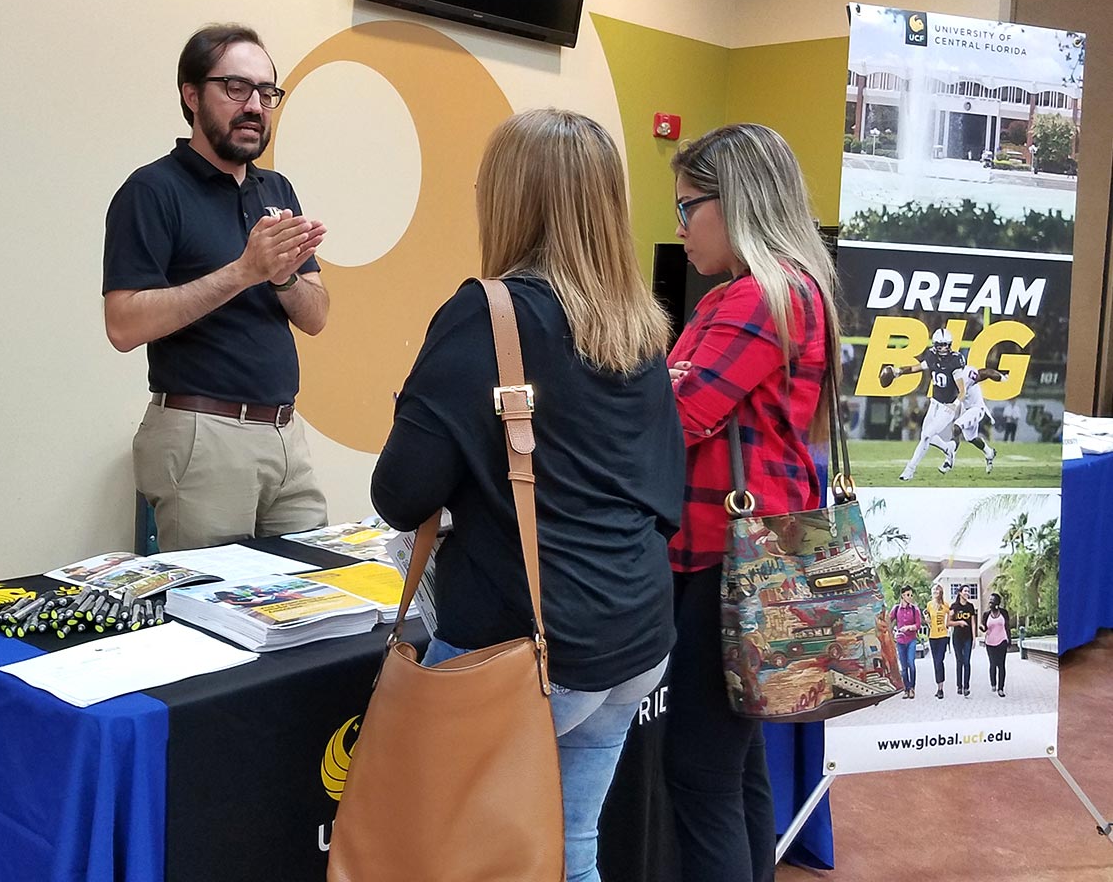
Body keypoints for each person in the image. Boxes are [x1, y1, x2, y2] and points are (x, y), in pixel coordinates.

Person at [370, 108, 684, 882]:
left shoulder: (485, 314)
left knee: (456, 859)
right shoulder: (639, 325)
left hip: (525, 647)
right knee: (570, 849)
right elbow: (660, 485)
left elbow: (400, 493)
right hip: (635, 636)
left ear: (510, 198)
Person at [664, 123, 840, 882]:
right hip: (766, 553)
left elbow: (674, 416)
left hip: (725, 562)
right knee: (737, 771)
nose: (678, 228)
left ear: (733, 202)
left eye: (687, 207)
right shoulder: (800, 288)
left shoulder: (755, 297)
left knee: (700, 774)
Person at [102, 24, 330, 551]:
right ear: (191, 94)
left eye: (267, 92)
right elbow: (123, 324)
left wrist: (283, 276)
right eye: (236, 88)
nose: (255, 105)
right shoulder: (152, 191)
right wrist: (243, 272)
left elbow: (316, 315)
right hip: (201, 433)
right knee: (212, 618)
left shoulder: (276, 189)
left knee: (314, 604)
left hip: (285, 433)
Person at [882, 328, 966, 481]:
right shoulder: (932, 356)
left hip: (949, 406)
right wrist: (899, 372)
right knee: (925, 436)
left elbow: (962, 391)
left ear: (950, 345)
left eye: (946, 345)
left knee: (927, 435)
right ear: (935, 345)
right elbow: (917, 368)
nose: (943, 349)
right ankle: (948, 449)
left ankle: (910, 469)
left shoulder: (955, 361)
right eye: (940, 345)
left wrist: (955, 405)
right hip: (935, 402)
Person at [952, 361, 1008, 473]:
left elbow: (986, 373)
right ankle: (989, 452)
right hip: (966, 408)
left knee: (956, 428)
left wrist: (1002, 378)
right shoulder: (949, 375)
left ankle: (949, 459)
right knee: (971, 438)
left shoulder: (967, 373)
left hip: (976, 408)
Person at [888, 585, 923, 698]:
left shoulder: (915, 609)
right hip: (900, 640)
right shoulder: (896, 609)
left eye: (911, 595)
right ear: (902, 596)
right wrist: (891, 633)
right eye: (908, 595)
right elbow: (889, 621)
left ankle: (912, 687)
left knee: (911, 663)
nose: (910, 597)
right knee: (903, 667)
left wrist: (908, 628)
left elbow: (918, 625)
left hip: (911, 640)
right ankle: (906, 689)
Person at [980, 591, 1013, 696]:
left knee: (1001, 665)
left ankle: (1001, 688)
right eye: (989, 601)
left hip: (1002, 641)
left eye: (992, 601)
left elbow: (1007, 627)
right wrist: (982, 628)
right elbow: (984, 628)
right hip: (990, 643)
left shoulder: (1004, 613)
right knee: (993, 664)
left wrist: (1009, 640)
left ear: (997, 602)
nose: (990, 603)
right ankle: (993, 683)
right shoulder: (986, 614)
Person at [949, 585, 979, 697]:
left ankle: (966, 686)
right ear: (960, 593)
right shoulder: (954, 606)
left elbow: (973, 623)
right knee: (959, 661)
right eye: (965, 591)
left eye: (968, 591)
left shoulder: (970, 606)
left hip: (968, 638)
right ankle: (959, 686)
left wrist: (974, 637)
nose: (967, 593)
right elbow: (948, 623)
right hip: (957, 637)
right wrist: (959, 622)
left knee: (967, 662)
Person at [924, 582, 951, 699]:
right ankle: (938, 687)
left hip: (943, 636)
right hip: (932, 636)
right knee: (936, 662)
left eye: (937, 590)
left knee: (940, 661)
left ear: (941, 592)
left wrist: (948, 624)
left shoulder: (946, 605)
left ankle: (941, 688)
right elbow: (928, 621)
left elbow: (949, 620)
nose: (935, 592)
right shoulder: (929, 605)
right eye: (933, 590)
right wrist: (927, 619)